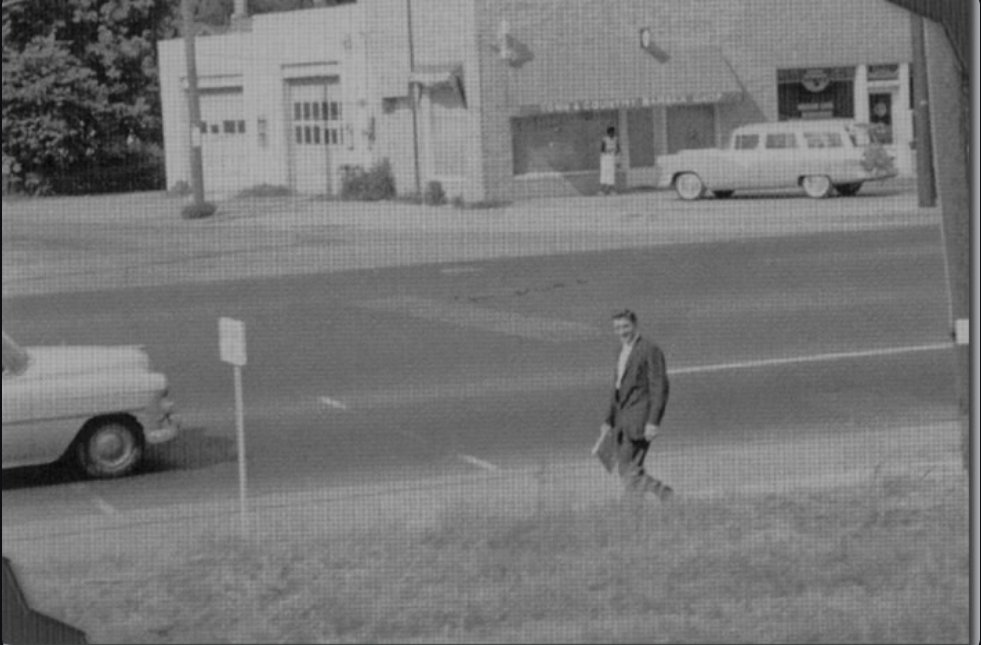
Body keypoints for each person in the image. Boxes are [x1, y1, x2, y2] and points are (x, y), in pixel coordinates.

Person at [598, 309, 673, 501]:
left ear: (635, 325)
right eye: (617, 328)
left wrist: (653, 422)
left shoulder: (649, 349)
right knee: (629, 469)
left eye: (625, 326)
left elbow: (659, 387)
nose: (622, 332)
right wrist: (608, 419)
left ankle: (662, 495)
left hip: (640, 421)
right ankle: (644, 503)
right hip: (622, 421)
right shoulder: (620, 351)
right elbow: (617, 388)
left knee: (628, 470)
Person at [599, 126, 621, 196]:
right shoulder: (604, 139)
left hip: (612, 158)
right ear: (608, 133)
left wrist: (618, 160)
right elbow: (602, 150)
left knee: (611, 174)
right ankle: (602, 190)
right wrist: (607, 152)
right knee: (604, 174)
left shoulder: (616, 139)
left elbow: (618, 149)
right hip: (605, 158)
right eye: (611, 132)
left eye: (613, 132)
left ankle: (611, 190)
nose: (612, 134)